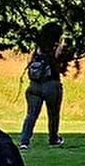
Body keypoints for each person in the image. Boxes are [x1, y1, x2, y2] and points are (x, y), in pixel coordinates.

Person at [19, 23, 71, 151]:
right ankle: (53, 138)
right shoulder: (57, 48)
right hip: (51, 85)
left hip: (34, 86)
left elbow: (30, 62)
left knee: (31, 114)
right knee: (53, 114)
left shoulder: (38, 48)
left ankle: (24, 141)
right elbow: (60, 64)